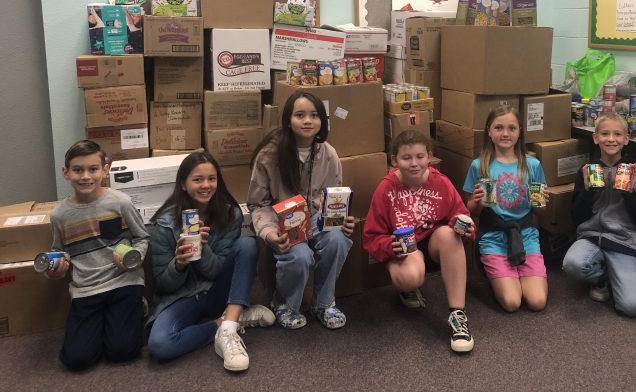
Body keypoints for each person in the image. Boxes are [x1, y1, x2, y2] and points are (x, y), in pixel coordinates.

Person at [146, 151, 274, 372]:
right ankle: (227, 322)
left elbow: (215, 271)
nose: (206, 185)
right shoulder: (165, 224)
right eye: (198, 179)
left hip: (217, 290)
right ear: (183, 184)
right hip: (183, 296)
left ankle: (229, 329)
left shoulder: (230, 215)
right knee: (160, 344)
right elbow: (164, 286)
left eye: (211, 179)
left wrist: (201, 247)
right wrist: (179, 264)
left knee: (247, 245)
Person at [248, 91, 356, 330]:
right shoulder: (269, 155)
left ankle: (324, 303)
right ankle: (285, 303)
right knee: (299, 256)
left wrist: (342, 220)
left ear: (322, 121)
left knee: (337, 240)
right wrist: (269, 233)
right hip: (282, 220)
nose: (308, 121)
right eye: (300, 115)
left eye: (314, 115)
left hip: (316, 216)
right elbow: (257, 203)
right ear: (288, 120)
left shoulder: (328, 153)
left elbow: (333, 197)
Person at [363, 130, 476, 353]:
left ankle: (458, 314)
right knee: (410, 278)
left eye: (420, 156)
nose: (414, 163)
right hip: (405, 250)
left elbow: (461, 215)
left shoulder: (441, 182)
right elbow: (371, 236)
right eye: (406, 158)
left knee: (449, 235)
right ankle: (407, 288)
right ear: (394, 160)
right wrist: (389, 246)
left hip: (434, 244)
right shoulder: (386, 188)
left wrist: (466, 228)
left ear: (429, 157)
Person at [46, 139, 149, 371]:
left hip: (123, 281)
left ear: (105, 170)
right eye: (77, 170)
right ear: (66, 173)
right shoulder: (59, 216)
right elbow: (59, 252)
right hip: (86, 289)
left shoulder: (120, 203)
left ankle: (136, 309)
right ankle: (105, 323)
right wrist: (55, 270)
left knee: (122, 351)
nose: (85, 176)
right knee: (77, 359)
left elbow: (142, 237)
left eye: (93, 169)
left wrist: (135, 258)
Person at [562, 111, 636, 317]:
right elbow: (577, 217)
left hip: (623, 241)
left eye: (617, 134)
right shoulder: (588, 170)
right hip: (591, 238)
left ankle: (616, 277)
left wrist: (630, 195)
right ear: (595, 138)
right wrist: (587, 192)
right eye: (605, 134)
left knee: (634, 307)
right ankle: (602, 277)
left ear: (626, 139)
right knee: (572, 264)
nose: (611, 139)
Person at [463, 105, 549, 313]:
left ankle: (517, 273)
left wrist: (541, 202)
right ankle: (500, 274)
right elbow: (471, 211)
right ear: (489, 131)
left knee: (537, 302)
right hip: (493, 237)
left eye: (512, 128)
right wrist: (477, 201)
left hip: (526, 235)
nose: (505, 133)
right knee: (512, 302)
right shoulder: (479, 166)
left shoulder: (532, 165)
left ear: (519, 132)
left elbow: (539, 212)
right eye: (499, 128)